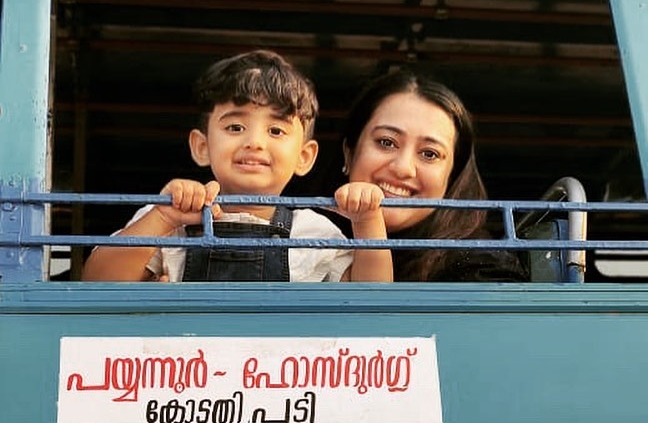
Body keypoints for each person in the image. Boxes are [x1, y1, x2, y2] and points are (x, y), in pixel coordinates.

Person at [82, 50, 392, 283]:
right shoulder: (169, 218)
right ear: (202, 147)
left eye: (276, 131)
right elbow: (96, 281)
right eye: (234, 128)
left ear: (305, 157)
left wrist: (368, 222)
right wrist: (163, 216)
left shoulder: (313, 229)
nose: (255, 142)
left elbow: (371, 299)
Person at [338, 67, 526, 282]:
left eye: (429, 154)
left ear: (453, 175)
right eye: (386, 142)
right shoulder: (303, 232)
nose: (403, 168)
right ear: (349, 153)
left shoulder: (479, 266)